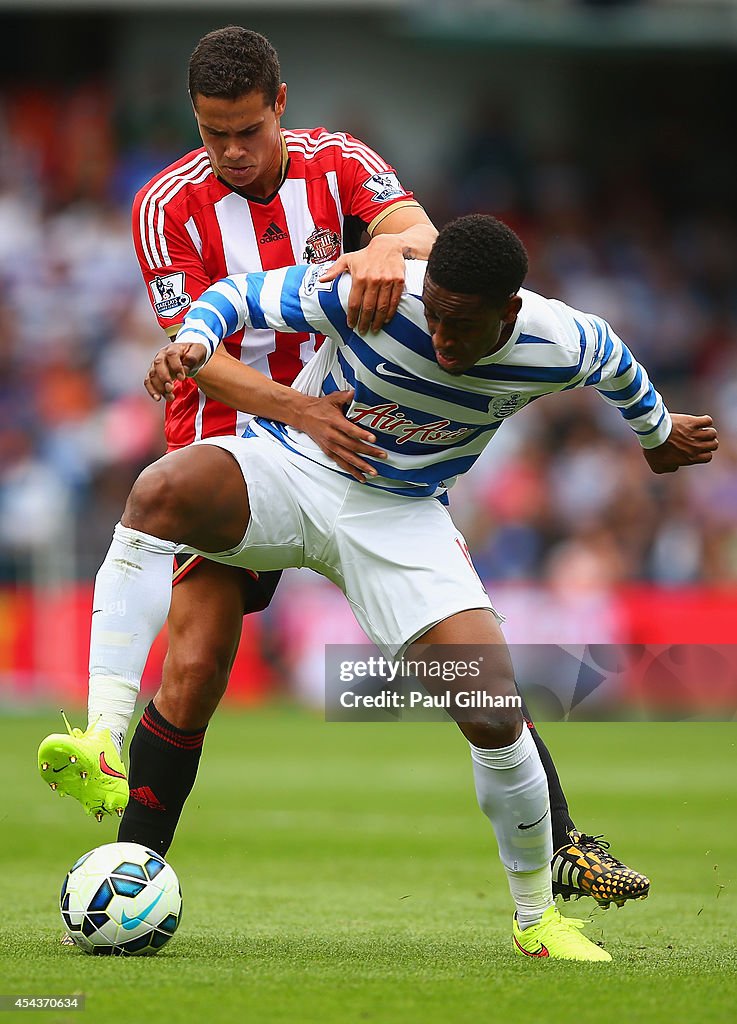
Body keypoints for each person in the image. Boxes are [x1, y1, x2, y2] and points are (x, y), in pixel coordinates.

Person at [39, 26, 650, 910]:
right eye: (214, 134)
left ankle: (559, 840)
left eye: (248, 129)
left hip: (363, 450)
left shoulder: (340, 162)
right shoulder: (164, 205)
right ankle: (128, 874)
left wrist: (379, 249)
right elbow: (194, 349)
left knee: (466, 670)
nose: (234, 153)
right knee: (198, 662)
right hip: (238, 435)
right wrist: (300, 413)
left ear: (279, 104)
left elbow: (429, 238)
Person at [38, 215, 718, 959]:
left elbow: (617, 363)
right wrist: (198, 342)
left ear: (509, 312)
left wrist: (655, 436)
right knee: (161, 491)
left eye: (462, 325)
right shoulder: (378, 293)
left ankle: (537, 922)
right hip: (291, 465)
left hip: (399, 515)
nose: (443, 337)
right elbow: (236, 296)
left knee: (491, 707)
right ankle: (102, 735)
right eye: (436, 316)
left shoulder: (559, 339)